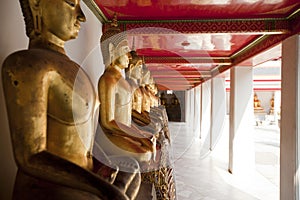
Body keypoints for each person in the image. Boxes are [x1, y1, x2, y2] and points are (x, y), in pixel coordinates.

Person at [2, 0, 138, 199]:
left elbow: (84, 135)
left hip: (85, 171)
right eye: (71, 3)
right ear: (36, 4)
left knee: (132, 168)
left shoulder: (75, 69)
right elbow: (30, 156)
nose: (82, 16)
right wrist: (104, 188)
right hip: (51, 184)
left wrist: (104, 164)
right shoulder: (27, 64)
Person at [97, 15, 156, 164]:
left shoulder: (122, 81)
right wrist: (138, 137)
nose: (129, 56)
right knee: (145, 153)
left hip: (123, 129)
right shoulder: (108, 79)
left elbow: (127, 117)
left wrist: (140, 134)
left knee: (151, 144)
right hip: (109, 134)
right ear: (112, 50)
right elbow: (107, 122)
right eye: (125, 50)